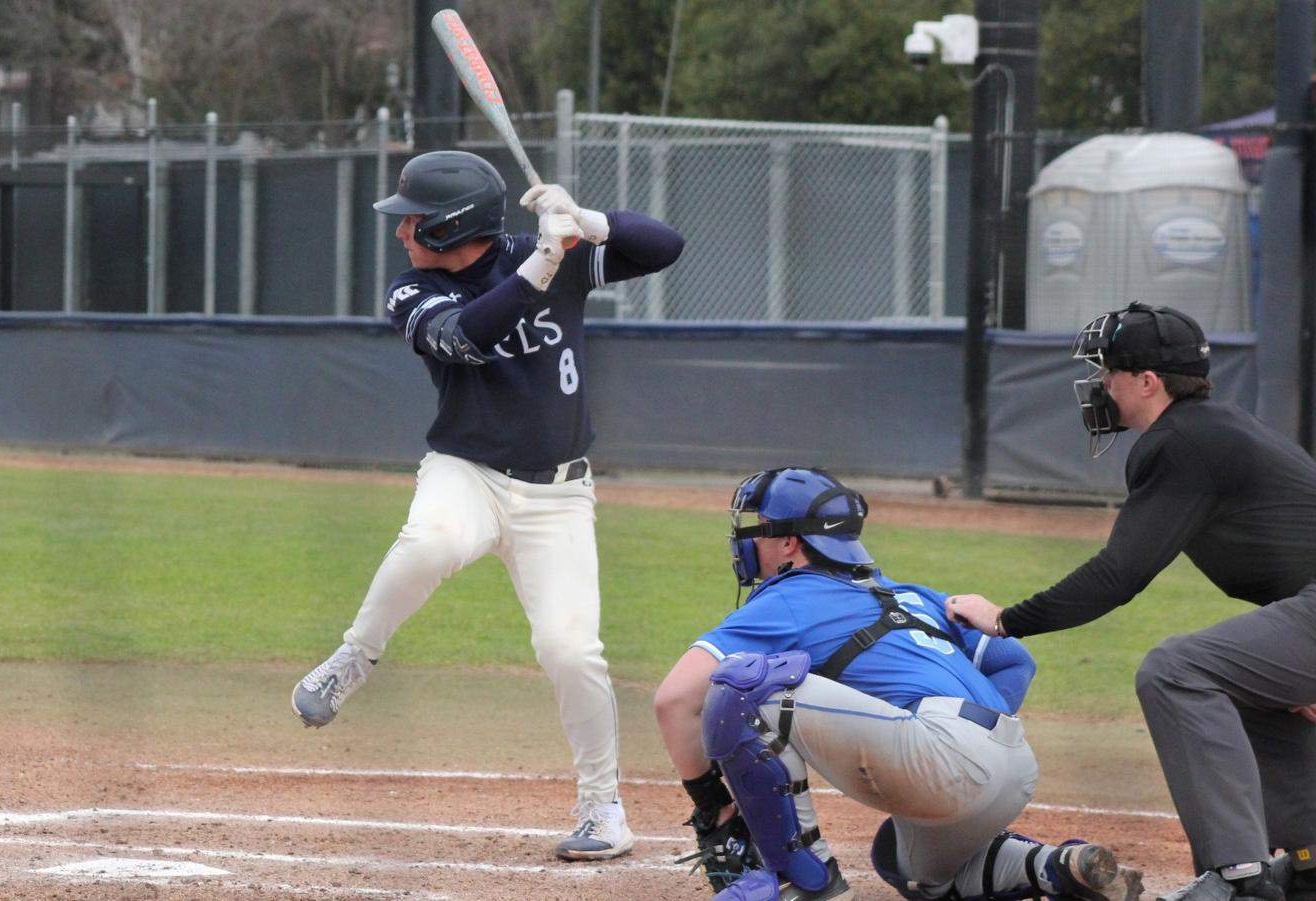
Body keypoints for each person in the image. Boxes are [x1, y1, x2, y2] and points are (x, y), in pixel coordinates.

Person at [290, 150, 684, 860]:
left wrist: (590, 221)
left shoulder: (549, 252)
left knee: (571, 649)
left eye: (412, 221)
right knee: (432, 539)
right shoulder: (411, 291)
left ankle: (603, 810)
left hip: (559, 495)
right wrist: (541, 263)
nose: (401, 232)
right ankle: (353, 658)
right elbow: (467, 336)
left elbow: (665, 247)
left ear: (448, 228)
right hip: (466, 471)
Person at [946, 302, 1316, 901]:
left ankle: (1237, 876)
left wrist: (1008, 620)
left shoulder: (1181, 442)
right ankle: (1307, 862)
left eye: (1110, 371)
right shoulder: (1215, 429)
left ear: (1147, 382)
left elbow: (1120, 574)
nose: (1100, 384)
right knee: (1239, 683)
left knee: (1177, 671)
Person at [654, 466, 1144, 901]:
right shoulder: (912, 595)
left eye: (757, 529)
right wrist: (974, 743)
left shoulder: (789, 596)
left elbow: (675, 700)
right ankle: (1059, 867)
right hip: (1014, 769)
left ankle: (803, 884)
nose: (746, 540)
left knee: (744, 685)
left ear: (789, 543)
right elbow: (1016, 663)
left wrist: (712, 808)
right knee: (913, 872)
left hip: (939, 759)